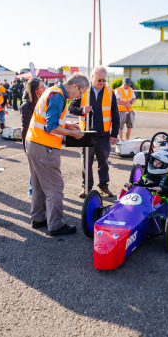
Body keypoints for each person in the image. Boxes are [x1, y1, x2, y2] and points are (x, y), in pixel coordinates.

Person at [25, 72, 89, 236]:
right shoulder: (58, 96)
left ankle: (38, 218)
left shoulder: (53, 91)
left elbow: (49, 119)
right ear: (76, 86)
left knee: (38, 184)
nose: (78, 97)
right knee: (55, 187)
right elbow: (50, 127)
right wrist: (72, 133)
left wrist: (67, 124)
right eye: (80, 93)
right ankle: (56, 225)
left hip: (33, 141)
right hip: (45, 146)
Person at [68, 66, 120, 199]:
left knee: (104, 162)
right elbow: (71, 108)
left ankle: (104, 186)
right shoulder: (84, 90)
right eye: (99, 80)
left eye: (104, 80)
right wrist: (82, 111)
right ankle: (86, 188)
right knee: (86, 162)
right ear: (92, 77)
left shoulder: (110, 92)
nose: (102, 82)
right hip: (86, 133)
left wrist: (114, 135)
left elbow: (115, 115)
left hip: (103, 134)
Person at [20, 77, 46, 196]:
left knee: (42, 169)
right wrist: (27, 147)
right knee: (34, 169)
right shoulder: (27, 106)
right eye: (42, 86)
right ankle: (33, 190)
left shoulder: (43, 101)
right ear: (36, 91)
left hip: (43, 142)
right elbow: (26, 129)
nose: (45, 88)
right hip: (32, 143)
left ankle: (41, 191)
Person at [115, 77, 136, 142]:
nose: (128, 86)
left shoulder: (131, 89)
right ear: (123, 83)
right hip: (121, 111)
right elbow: (116, 100)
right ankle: (121, 140)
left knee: (129, 126)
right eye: (126, 84)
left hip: (129, 111)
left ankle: (127, 140)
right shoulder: (118, 90)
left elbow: (134, 99)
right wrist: (125, 104)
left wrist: (130, 103)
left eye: (129, 84)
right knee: (120, 127)